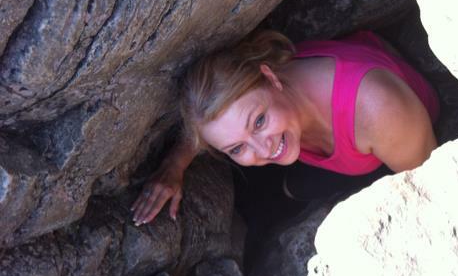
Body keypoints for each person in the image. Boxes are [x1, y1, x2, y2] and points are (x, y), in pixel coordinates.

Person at [131, 30, 439, 226]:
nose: (263, 149)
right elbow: (211, 124)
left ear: (271, 78)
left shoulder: (378, 112)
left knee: (294, 190)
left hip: (400, 137)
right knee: (283, 191)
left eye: (259, 121)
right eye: (236, 148)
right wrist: (173, 166)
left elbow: (435, 191)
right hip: (340, 135)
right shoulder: (259, 92)